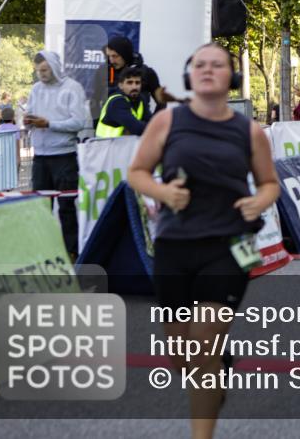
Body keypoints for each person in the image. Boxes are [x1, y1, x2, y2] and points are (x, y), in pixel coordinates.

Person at [128, 43, 280, 439]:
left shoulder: (249, 131)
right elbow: (138, 173)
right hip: (175, 247)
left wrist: (257, 202)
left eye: (218, 65)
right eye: (200, 65)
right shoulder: (167, 122)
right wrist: (163, 194)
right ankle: (213, 374)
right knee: (181, 356)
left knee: (201, 349)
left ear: (232, 77)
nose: (209, 70)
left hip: (227, 248)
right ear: (188, 76)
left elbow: (269, 184)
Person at [25, 51, 88, 258]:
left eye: (44, 69)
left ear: (54, 66)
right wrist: (27, 121)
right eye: (38, 70)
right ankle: (43, 251)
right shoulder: (35, 89)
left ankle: (72, 252)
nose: (40, 74)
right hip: (40, 157)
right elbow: (29, 115)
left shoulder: (73, 88)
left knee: (67, 207)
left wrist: (49, 124)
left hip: (64, 156)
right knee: (41, 207)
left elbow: (79, 122)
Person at [105, 36, 179, 112]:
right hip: (109, 123)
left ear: (125, 55)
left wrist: (153, 122)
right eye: (109, 56)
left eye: (115, 56)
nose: (111, 61)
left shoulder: (147, 73)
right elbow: (95, 101)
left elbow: (161, 101)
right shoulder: (103, 72)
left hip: (139, 123)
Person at [95, 65, 151, 137]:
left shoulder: (140, 100)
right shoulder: (117, 102)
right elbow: (137, 128)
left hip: (123, 145)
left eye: (137, 83)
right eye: (129, 83)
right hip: (106, 145)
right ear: (121, 85)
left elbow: (151, 122)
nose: (134, 87)